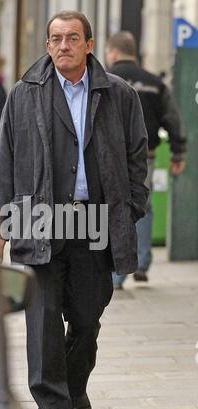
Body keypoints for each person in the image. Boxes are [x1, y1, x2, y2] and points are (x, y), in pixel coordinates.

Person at [0, 11, 148, 409]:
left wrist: (132, 206)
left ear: (89, 44)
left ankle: (75, 385)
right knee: (41, 322)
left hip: (93, 219)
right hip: (36, 218)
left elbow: (138, 154)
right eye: (56, 38)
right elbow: (4, 162)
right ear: (47, 46)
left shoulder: (119, 95)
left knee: (86, 318)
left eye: (72, 38)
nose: (63, 45)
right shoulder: (23, 94)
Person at [106, 31, 187, 288]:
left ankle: (117, 273)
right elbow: (173, 119)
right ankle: (141, 262)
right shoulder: (154, 83)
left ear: (113, 53)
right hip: (147, 156)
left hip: (110, 158)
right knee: (144, 207)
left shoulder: (104, 81)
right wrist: (178, 151)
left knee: (113, 208)